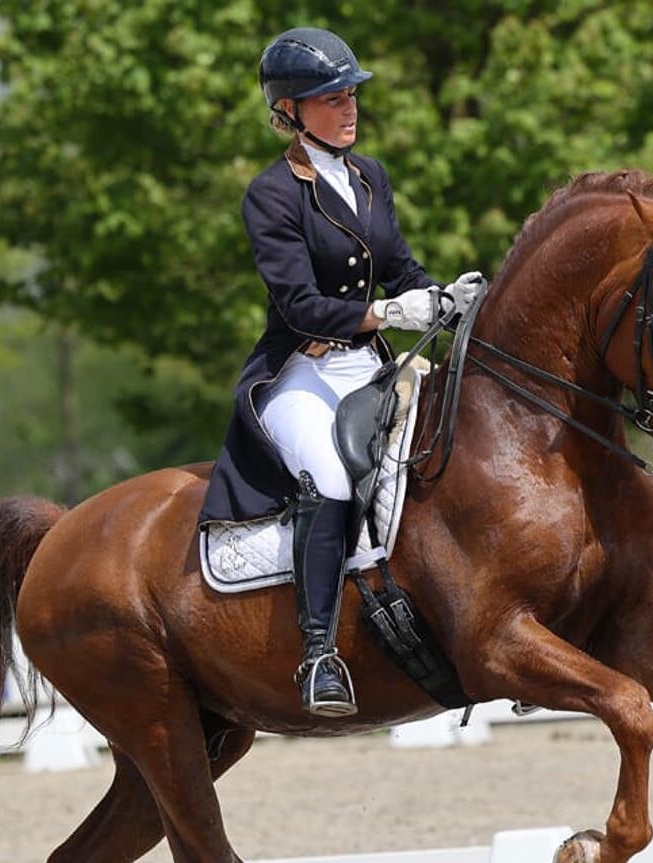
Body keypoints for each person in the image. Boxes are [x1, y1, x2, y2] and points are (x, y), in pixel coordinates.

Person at [199, 28, 485, 718]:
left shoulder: (369, 176)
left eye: (351, 93)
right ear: (289, 111)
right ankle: (319, 655)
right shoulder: (270, 195)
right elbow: (300, 305)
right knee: (330, 481)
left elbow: (401, 267)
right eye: (331, 98)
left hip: (372, 370)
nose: (348, 107)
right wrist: (393, 310)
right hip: (303, 372)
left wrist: (446, 295)